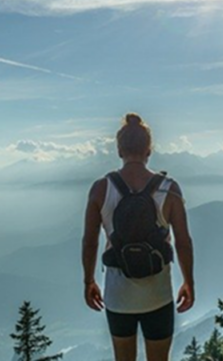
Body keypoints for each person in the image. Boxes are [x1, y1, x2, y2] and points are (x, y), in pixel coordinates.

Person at [82, 113, 195, 361]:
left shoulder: (101, 188)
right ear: (149, 150)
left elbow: (90, 242)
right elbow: (183, 242)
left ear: (119, 150)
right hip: (158, 294)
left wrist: (89, 281)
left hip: (118, 295)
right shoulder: (169, 189)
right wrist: (189, 282)